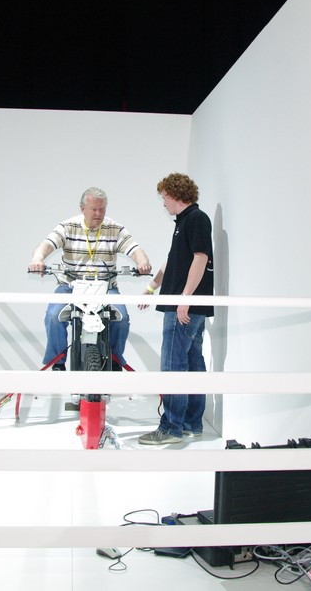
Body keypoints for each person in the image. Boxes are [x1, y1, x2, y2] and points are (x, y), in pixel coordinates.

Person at [28, 187, 152, 369]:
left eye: (102, 209)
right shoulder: (68, 226)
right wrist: (38, 259)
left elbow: (135, 249)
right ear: (82, 208)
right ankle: (57, 363)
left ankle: (115, 361)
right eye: (94, 209)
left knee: (122, 319)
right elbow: (46, 244)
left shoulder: (114, 228)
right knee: (54, 317)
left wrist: (143, 262)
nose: (98, 214)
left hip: (105, 286)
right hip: (70, 285)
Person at [138, 173, 215, 445]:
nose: (163, 204)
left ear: (174, 195)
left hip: (184, 307)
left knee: (173, 365)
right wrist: (151, 288)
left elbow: (201, 258)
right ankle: (191, 423)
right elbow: (172, 261)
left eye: (164, 198)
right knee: (192, 363)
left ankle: (171, 428)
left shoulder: (196, 219)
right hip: (187, 304)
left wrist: (185, 298)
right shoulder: (184, 222)